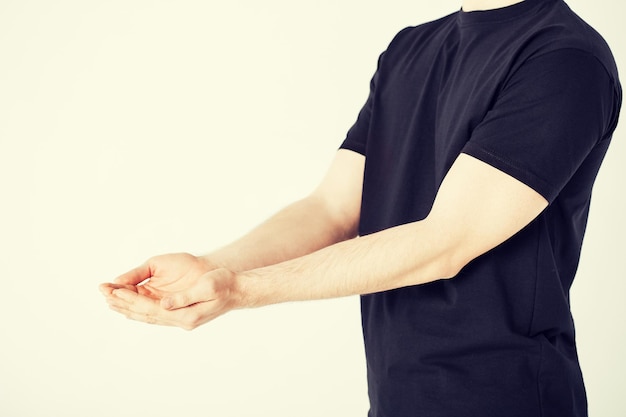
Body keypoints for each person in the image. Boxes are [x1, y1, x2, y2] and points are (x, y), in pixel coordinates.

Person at [100, 0, 621, 415]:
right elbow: (331, 208)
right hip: (396, 395)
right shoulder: (411, 48)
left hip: (503, 398)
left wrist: (239, 291)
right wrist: (213, 266)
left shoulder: (564, 58)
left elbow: (445, 243)